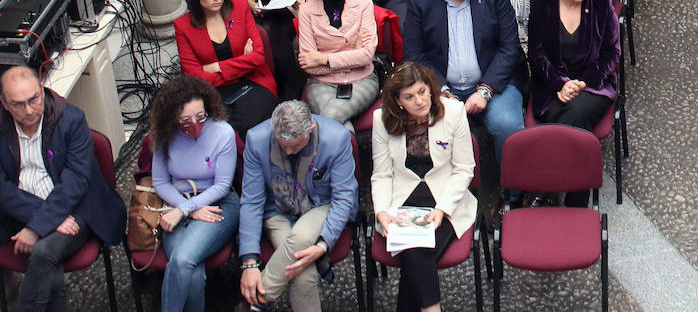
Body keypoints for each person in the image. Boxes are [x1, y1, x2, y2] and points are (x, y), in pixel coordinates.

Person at [0, 65, 124, 312]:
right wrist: (44, 219)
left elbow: (76, 179)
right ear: (4, 104)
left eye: (33, 99)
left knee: (43, 251)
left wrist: (35, 228)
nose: (28, 110)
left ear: (42, 90)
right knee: (47, 266)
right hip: (24, 210)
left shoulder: (71, 119)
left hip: (76, 208)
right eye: (18, 104)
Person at [403, 0, 525, 161]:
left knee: (508, 125)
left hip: (493, 84)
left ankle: (513, 194)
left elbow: (510, 47)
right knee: (434, 131)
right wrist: (443, 92)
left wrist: (486, 89)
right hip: (440, 88)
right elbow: (414, 54)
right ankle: (448, 192)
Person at [370, 61, 477, 312]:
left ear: (430, 88)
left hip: (445, 196)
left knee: (414, 253)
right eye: (409, 97)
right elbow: (382, 174)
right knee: (416, 249)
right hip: (402, 198)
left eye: (422, 91)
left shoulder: (453, 111)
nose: (419, 100)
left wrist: (442, 209)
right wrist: (382, 211)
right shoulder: (381, 120)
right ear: (398, 102)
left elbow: (464, 169)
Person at [238, 101, 358, 312]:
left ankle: (253, 303)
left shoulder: (337, 139)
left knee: (302, 237)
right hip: (277, 208)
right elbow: (252, 202)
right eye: (282, 145)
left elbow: (344, 199)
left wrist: (322, 245)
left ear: (310, 129)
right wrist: (249, 262)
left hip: (321, 205)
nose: (289, 151)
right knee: (303, 275)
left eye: (295, 146)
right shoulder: (257, 140)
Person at [146, 75, 239, 312]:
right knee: (193, 274)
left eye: (200, 117)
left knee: (182, 260)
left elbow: (222, 185)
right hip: (177, 203)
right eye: (186, 120)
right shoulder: (164, 135)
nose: (195, 125)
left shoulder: (223, 133)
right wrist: (186, 209)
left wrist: (186, 210)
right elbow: (160, 181)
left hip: (217, 204)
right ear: (173, 118)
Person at [527, 0, 620, 173]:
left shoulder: (602, 6)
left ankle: (547, 185)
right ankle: (577, 187)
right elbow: (537, 56)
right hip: (552, 88)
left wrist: (583, 82)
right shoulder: (542, 8)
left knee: (573, 116)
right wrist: (560, 84)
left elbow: (611, 54)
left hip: (593, 86)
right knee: (568, 117)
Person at [174, 0, 278, 134]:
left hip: (253, 81)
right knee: (214, 128)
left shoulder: (241, 8)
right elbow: (194, 76)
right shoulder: (183, 26)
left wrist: (218, 67)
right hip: (210, 90)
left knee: (245, 124)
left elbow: (258, 56)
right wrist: (243, 63)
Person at [295, 0, 379, 123]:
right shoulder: (306, 10)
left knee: (330, 118)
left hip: (362, 79)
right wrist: (350, 59)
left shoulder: (363, 1)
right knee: (341, 124)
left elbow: (366, 55)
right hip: (321, 82)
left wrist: (323, 59)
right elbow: (308, 65)